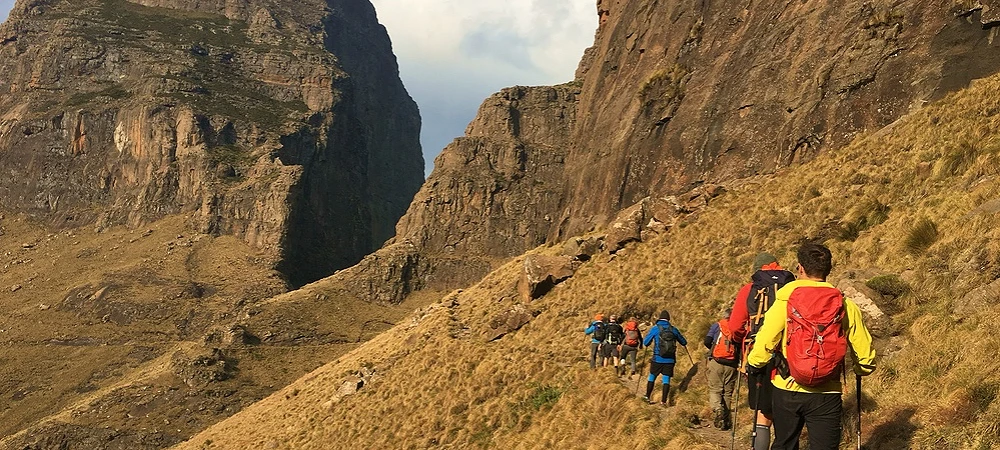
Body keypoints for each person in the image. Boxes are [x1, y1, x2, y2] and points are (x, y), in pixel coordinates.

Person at [746, 242, 876, 450]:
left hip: (787, 387)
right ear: (828, 270)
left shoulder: (785, 300)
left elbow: (766, 339)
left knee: (784, 444)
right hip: (827, 391)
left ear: (800, 268)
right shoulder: (843, 303)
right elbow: (864, 353)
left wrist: (755, 363)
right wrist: (862, 368)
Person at [728, 252, 795, 450]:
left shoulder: (749, 289)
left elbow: (735, 327)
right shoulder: (792, 288)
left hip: (759, 355)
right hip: (790, 355)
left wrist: (741, 342)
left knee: (763, 413)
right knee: (787, 414)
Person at [642, 310, 687, 404]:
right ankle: (663, 401)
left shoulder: (655, 328)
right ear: (668, 319)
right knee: (666, 379)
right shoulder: (673, 329)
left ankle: (647, 396)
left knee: (652, 377)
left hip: (657, 358)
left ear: (659, 318)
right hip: (670, 359)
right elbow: (684, 342)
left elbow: (645, 342)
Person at [704, 309, 739, 430]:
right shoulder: (738, 327)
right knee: (728, 393)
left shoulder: (717, 325)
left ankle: (718, 410)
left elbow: (707, 341)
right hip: (732, 364)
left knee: (715, 390)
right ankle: (727, 421)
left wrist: (712, 350)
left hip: (717, 361)